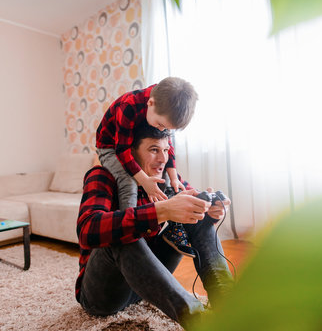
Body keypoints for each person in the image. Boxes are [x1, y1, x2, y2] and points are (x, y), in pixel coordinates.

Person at [77, 123, 234, 329]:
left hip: (144, 286)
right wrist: (163, 210)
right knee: (122, 233)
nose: (162, 159)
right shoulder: (103, 175)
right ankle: (199, 320)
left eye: (166, 150)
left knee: (195, 216)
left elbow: (198, 217)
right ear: (131, 154)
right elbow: (87, 231)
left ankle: (230, 307)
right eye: (153, 150)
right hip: (102, 297)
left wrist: (209, 212)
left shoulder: (168, 180)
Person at [95, 76, 198, 257]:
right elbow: (122, 150)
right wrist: (144, 181)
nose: (160, 130)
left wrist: (173, 178)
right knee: (129, 182)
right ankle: (130, 232)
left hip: (128, 144)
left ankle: (175, 229)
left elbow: (168, 147)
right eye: (160, 125)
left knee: (167, 179)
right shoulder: (129, 105)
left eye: (165, 128)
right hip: (110, 147)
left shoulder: (163, 108)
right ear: (150, 103)